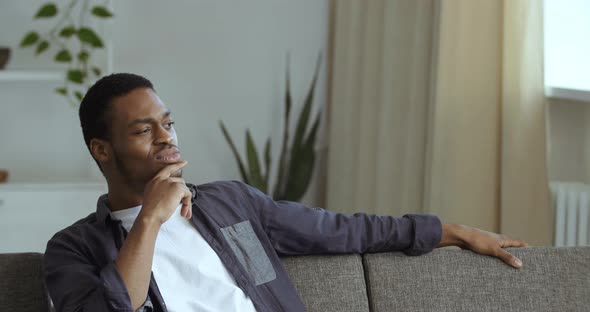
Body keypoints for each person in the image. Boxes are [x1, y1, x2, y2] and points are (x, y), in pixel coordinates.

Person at [44, 73, 528, 312]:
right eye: (144, 131)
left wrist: (451, 230)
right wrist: (149, 219)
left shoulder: (229, 203)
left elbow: (341, 231)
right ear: (102, 149)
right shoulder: (72, 249)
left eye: (168, 123)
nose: (168, 137)